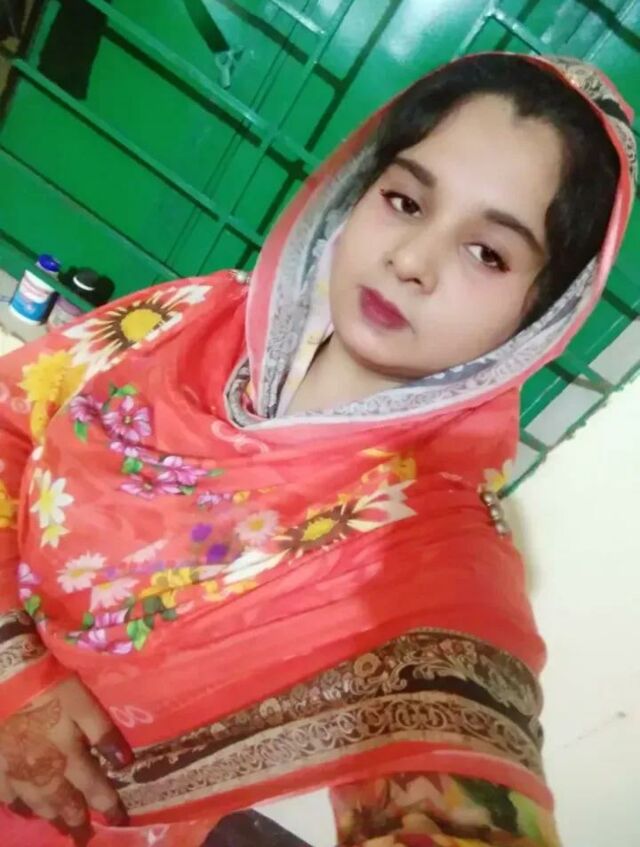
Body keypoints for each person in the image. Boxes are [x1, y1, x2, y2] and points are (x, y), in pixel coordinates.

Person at [0, 52, 635, 847]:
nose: (412, 261)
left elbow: (459, 756)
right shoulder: (192, 318)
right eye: (405, 200)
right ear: (355, 190)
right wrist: (14, 671)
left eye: (488, 253)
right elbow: (10, 420)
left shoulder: (426, 548)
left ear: (540, 314)